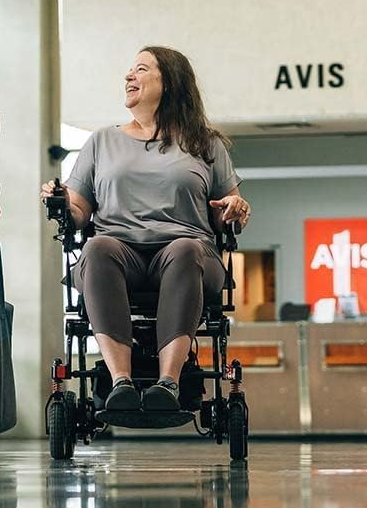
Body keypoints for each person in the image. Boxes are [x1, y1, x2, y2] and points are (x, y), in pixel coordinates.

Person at [40, 46, 250, 412]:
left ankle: (168, 384)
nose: (128, 76)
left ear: (169, 83)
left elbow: (224, 209)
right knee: (97, 247)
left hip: (189, 255)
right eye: (129, 70)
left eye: (140, 69)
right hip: (120, 255)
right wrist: (59, 200)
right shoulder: (102, 141)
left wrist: (233, 208)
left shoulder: (205, 143)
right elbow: (78, 212)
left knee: (185, 249)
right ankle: (120, 381)